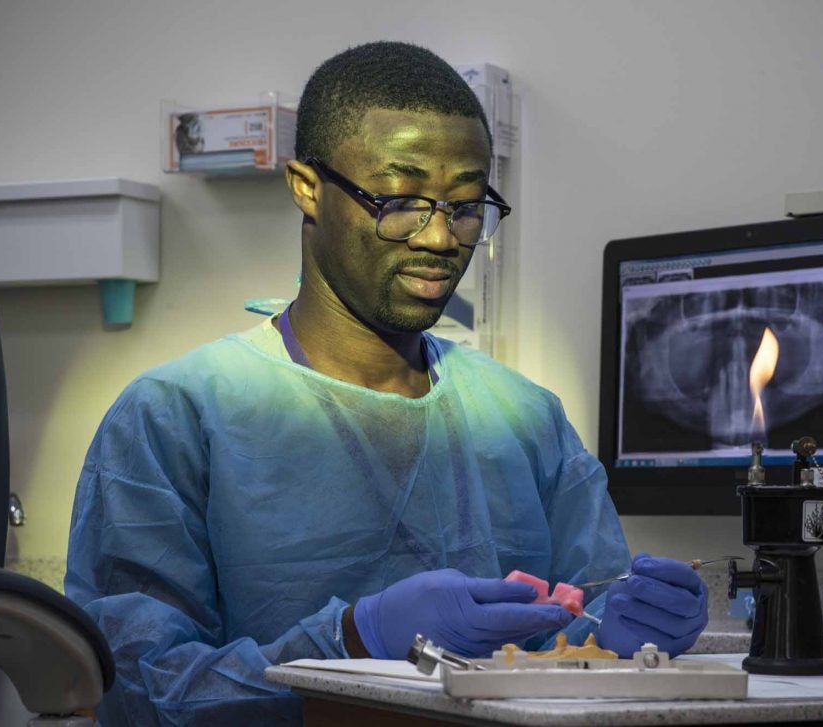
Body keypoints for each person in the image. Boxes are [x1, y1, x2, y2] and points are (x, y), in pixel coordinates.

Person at [65, 41, 708, 725]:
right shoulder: (176, 418)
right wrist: (352, 639)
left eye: (465, 206)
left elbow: (579, 630)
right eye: (399, 201)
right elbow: (137, 690)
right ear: (307, 187)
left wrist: (620, 638)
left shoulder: (524, 420)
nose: (440, 238)